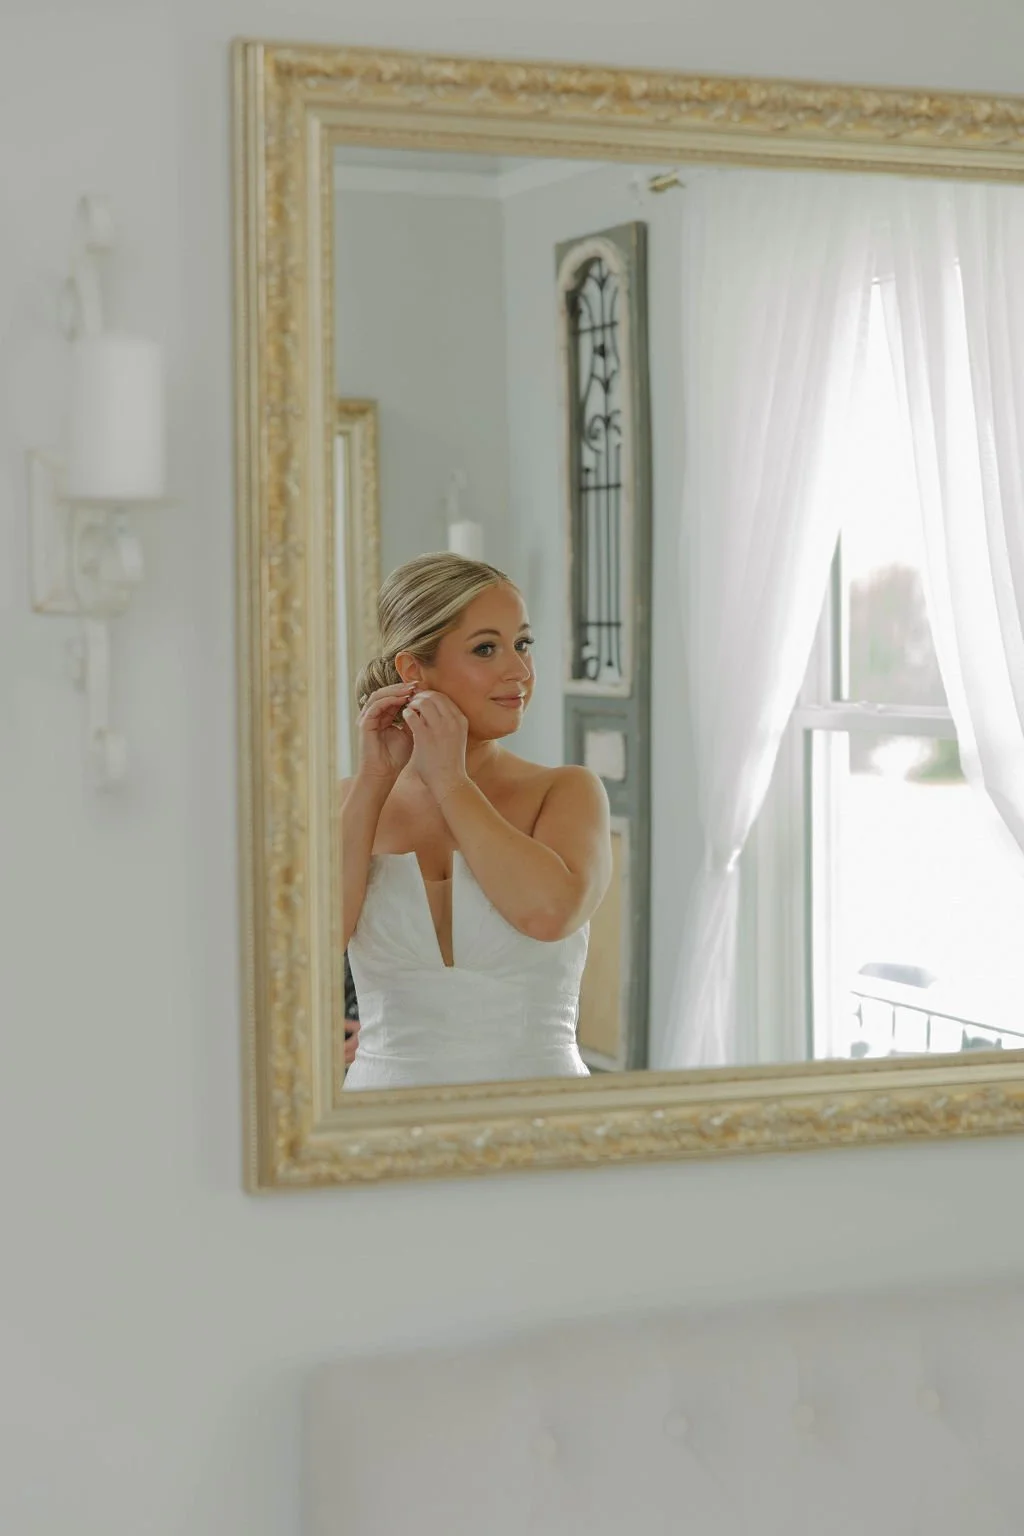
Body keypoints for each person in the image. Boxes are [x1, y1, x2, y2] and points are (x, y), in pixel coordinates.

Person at [341, 552, 612, 1090]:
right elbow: (300, 951)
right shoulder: (348, 804)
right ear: (414, 671)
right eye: (486, 648)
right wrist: (373, 779)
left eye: (523, 644)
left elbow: (548, 915)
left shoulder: (567, 792)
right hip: (377, 1132)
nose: (519, 670)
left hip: (545, 1123)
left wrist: (452, 782)